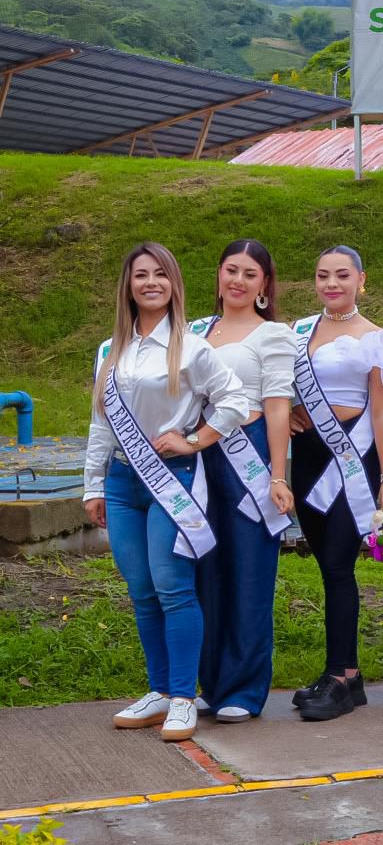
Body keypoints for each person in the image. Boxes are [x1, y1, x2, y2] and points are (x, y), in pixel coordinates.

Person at [84, 243, 247, 742]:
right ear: (128, 286)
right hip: (121, 482)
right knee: (141, 591)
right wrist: (92, 485)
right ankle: (158, 691)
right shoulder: (109, 351)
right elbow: (100, 422)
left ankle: (182, 697)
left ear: (174, 284)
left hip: (172, 478)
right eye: (140, 275)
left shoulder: (192, 348)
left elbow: (236, 400)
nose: (150, 282)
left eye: (160, 274)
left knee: (173, 587)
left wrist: (194, 439)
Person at [289, 245, 383, 721]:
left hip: (351, 458)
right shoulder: (299, 333)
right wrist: (289, 413)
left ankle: (341, 678)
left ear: (361, 280)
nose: (331, 283)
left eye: (342, 275)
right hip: (308, 458)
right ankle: (343, 674)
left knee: (340, 566)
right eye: (323, 275)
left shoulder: (376, 338)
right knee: (326, 566)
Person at [193, 239, 297, 723]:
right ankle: (212, 682)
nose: (238, 280)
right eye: (231, 269)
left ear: (264, 285)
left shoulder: (272, 335)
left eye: (250, 274)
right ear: (218, 273)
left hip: (248, 456)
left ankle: (244, 688)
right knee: (204, 569)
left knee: (249, 571)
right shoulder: (194, 331)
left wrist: (277, 474)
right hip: (197, 458)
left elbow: (277, 407)